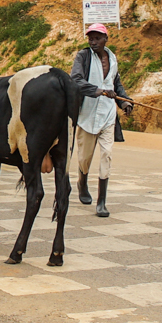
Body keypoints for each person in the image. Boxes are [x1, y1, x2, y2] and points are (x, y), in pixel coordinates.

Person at [70, 23, 132, 218]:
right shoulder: (83, 56)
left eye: (97, 38)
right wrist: (97, 90)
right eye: (91, 38)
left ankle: (101, 202)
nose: (93, 42)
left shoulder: (112, 58)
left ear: (106, 39)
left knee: (106, 155)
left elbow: (116, 84)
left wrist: (124, 102)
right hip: (87, 115)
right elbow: (75, 79)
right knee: (84, 158)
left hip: (107, 115)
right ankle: (82, 182)